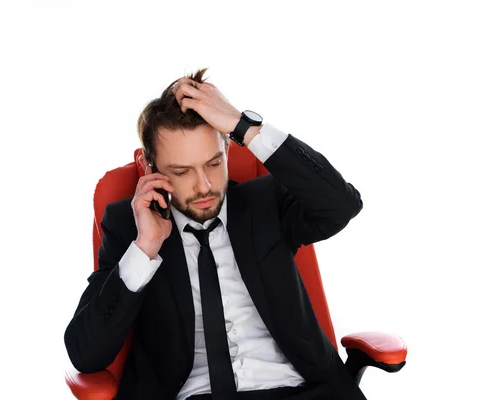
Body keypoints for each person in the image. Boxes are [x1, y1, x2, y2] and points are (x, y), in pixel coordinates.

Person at [64, 68, 365, 400]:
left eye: (213, 163)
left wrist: (242, 125)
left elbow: (341, 205)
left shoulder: (266, 202)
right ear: (150, 169)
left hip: (301, 391)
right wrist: (146, 247)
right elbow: (85, 353)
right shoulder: (128, 226)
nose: (204, 186)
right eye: (181, 171)